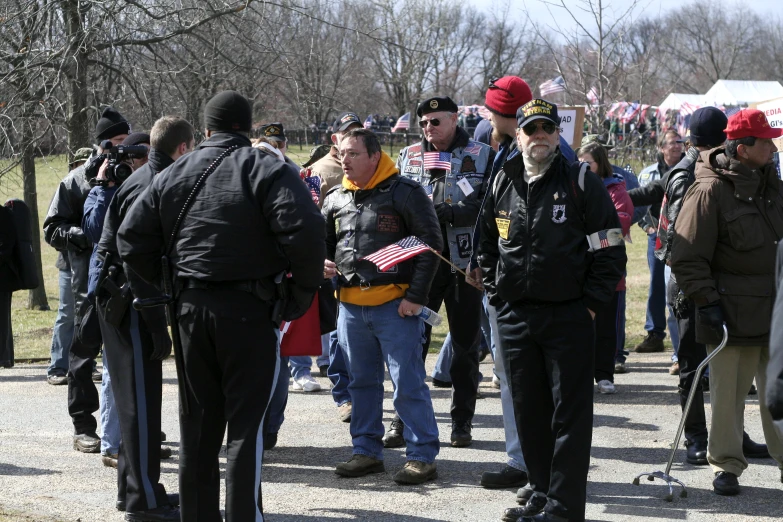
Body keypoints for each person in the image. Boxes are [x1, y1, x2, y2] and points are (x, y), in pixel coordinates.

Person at [117, 91, 324, 522]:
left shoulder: (174, 172)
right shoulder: (265, 166)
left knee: (198, 431)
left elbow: (130, 240)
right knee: (245, 432)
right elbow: (305, 233)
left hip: (191, 309)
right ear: (246, 128)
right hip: (250, 310)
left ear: (206, 130)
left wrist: (160, 296)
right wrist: (297, 298)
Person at [480, 99, 626, 522]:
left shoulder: (581, 181)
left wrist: (592, 308)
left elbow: (609, 249)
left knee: (569, 418)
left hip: (569, 317)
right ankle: (541, 493)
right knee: (529, 413)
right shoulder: (502, 180)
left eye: (547, 128)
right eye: (531, 129)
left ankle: (564, 508)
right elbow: (488, 243)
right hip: (515, 317)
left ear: (557, 134)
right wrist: (497, 295)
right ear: (519, 134)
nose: (539, 136)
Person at [672, 108, 783, 496]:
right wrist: (707, 302)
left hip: (775, 314)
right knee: (727, 400)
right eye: (766, 140)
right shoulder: (708, 190)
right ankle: (726, 466)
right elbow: (685, 256)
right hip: (729, 316)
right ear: (743, 146)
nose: (773, 146)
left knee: (779, 396)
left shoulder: (773, 185)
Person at [322, 128, 442, 484]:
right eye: (342, 153)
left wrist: (416, 297)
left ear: (374, 156)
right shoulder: (334, 197)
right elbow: (322, 243)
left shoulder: (406, 191)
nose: (345, 159)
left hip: (396, 307)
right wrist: (321, 262)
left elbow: (430, 243)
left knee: (407, 383)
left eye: (353, 153)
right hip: (350, 309)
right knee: (361, 383)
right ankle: (366, 452)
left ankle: (422, 456)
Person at [93, 119, 195, 521]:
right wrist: (157, 325)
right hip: (129, 305)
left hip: (125, 302)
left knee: (139, 403)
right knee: (138, 408)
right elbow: (135, 261)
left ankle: (136, 489)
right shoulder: (154, 184)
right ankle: (143, 503)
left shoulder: (145, 178)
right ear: (182, 148)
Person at [392, 95, 493, 448]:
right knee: (410, 345)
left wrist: (454, 213)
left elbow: (488, 204)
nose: (428, 128)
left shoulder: (482, 154)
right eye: (423, 123)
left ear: (454, 119)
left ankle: (461, 422)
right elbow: (397, 200)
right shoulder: (409, 156)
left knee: (465, 347)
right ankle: (403, 422)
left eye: (435, 121)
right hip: (422, 264)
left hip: (465, 264)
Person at [44, 107, 130, 453]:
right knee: (82, 355)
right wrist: (83, 235)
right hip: (86, 279)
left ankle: (129, 425)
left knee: (126, 355)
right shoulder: (76, 180)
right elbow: (51, 228)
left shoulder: (132, 173)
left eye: (127, 140)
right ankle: (83, 425)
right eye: (117, 141)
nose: (122, 148)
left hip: (125, 281)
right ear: (102, 143)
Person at [82, 132, 151, 469]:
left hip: (142, 286)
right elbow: (95, 231)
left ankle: (137, 442)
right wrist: (102, 187)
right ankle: (113, 445)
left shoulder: (152, 182)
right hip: (112, 287)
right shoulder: (109, 185)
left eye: (142, 156)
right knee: (115, 366)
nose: (136, 164)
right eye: (134, 157)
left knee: (140, 368)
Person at [308, 111, 364, 422]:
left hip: (366, 266)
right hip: (333, 263)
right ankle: (344, 396)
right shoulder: (319, 171)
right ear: (334, 138)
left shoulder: (373, 164)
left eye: (358, 131)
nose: (353, 135)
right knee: (337, 334)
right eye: (347, 132)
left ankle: (363, 393)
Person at [577, 134, 642, 375]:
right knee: (580, 326)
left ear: (600, 164)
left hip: (608, 270)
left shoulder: (616, 190)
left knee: (607, 325)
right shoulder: (574, 188)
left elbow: (617, 230)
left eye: (588, 164)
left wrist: (586, 239)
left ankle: (605, 374)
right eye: (579, 163)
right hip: (578, 270)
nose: (583, 168)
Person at [630, 130, 683, 361]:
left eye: (680, 142)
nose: (677, 146)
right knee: (656, 286)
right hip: (656, 235)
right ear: (662, 148)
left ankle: (679, 351)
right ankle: (655, 334)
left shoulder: (687, 170)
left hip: (679, 236)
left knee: (675, 288)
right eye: (672, 143)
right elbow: (641, 202)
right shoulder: (648, 174)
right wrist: (647, 227)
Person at [46, 147, 94, 385]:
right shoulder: (67, 189)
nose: (81, 166)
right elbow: (54, 228)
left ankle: (89, 362)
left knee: (88, 313)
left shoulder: (96, 187)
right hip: (68, 262)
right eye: (79, 163)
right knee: (67, 312)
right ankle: (57, 366)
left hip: (88, 263)